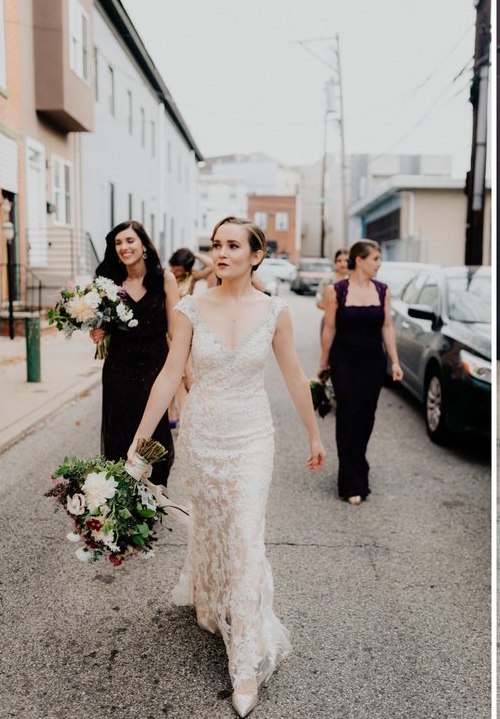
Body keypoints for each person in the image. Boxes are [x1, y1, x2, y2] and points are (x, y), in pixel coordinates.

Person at [125, 216, 326, 717]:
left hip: (253, 436)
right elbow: (171, 373)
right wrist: (140, 439)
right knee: (214, 528)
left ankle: (246, 665)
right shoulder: (191, 308)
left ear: (256, 255)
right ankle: (211, 599)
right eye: (217, 245)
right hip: (203, 434)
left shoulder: (275, 311)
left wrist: (315, 433)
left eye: (233, 245)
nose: (222, 252)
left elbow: (295, 376)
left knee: (244, 537)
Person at [90, 221, 179, 486]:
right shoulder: (109, 283)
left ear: (143, 244)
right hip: (119, 366)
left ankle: (152, 494)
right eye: (118, 243)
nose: (124, 247)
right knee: (120, 430)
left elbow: (175, 331)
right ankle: (121, 495)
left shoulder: (164, 278)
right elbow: (101, 325)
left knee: (154, 431)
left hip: (155, 367)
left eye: (129, 241)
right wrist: (97, 332)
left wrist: (183, 372)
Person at [318, 239, 402, 505]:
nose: (379, 264)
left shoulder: (382, 290)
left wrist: (395, 362)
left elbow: (387, 327)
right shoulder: (337, 290)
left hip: (372, 363)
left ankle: (359, 463)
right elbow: (329, 328)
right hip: (344, 361)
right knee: (348, 415)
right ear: (359, 260)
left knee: (367, 416)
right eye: (375, 258)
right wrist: (323, 364)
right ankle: (351, 480)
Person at [167, 248, 215, 426]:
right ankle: (172, 412)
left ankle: (184, 414)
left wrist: (194, 254)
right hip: (167, 329)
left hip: (185, 327)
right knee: (169, 372)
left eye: (179, 269)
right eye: (174, 267)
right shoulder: (166, 277)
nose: (175, 272)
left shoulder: (192, 276)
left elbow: (212, 265)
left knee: (184, 372)